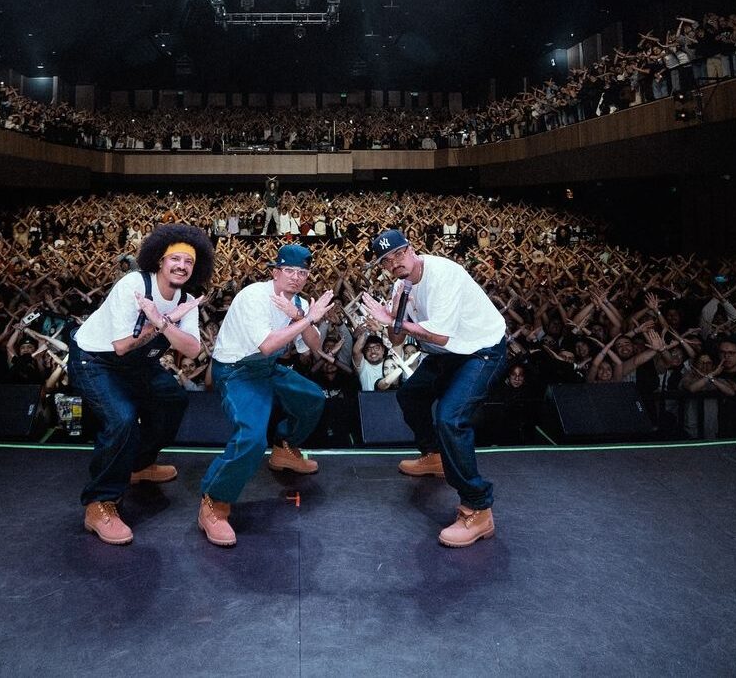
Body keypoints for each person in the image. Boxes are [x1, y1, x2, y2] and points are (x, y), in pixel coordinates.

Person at [69, 223, 215, 545]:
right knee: (122, 421)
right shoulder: (134, 284)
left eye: (188, 261)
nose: (181, 266)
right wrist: (165, 324)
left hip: (136, 363)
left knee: (173, 400)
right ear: (159, 261)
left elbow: (191, 349)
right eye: (174, 259)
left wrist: (164, 320)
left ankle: (139, 464)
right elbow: (121, 344)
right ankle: (99, 504)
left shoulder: (185, 298)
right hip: (95, 360)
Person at [361, 229, 507, 548]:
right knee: (409, 394)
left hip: (481, 350)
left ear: (411, 250)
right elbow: (398, 338)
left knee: (450, 419)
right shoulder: (402, 285)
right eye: (387, 260)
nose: (395, 263)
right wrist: (390, 320)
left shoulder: (444, 275)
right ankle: (434, 456)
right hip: (449, 353)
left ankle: (478, 509)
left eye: (399, 254)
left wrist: (395, 321)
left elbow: (439, 336)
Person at [197, 244, 334, 547]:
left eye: (302, 272)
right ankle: (214, 501)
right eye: (289, 271)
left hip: (267, 368)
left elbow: (312, 345)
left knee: (312, 398)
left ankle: (285, 447)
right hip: (237, 371)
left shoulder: (297, 301)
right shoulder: (254, 296)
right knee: (251, 438)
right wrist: (307, 318)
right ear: (275, 272)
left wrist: (302, 315)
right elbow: (268, 345)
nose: (296, 277)